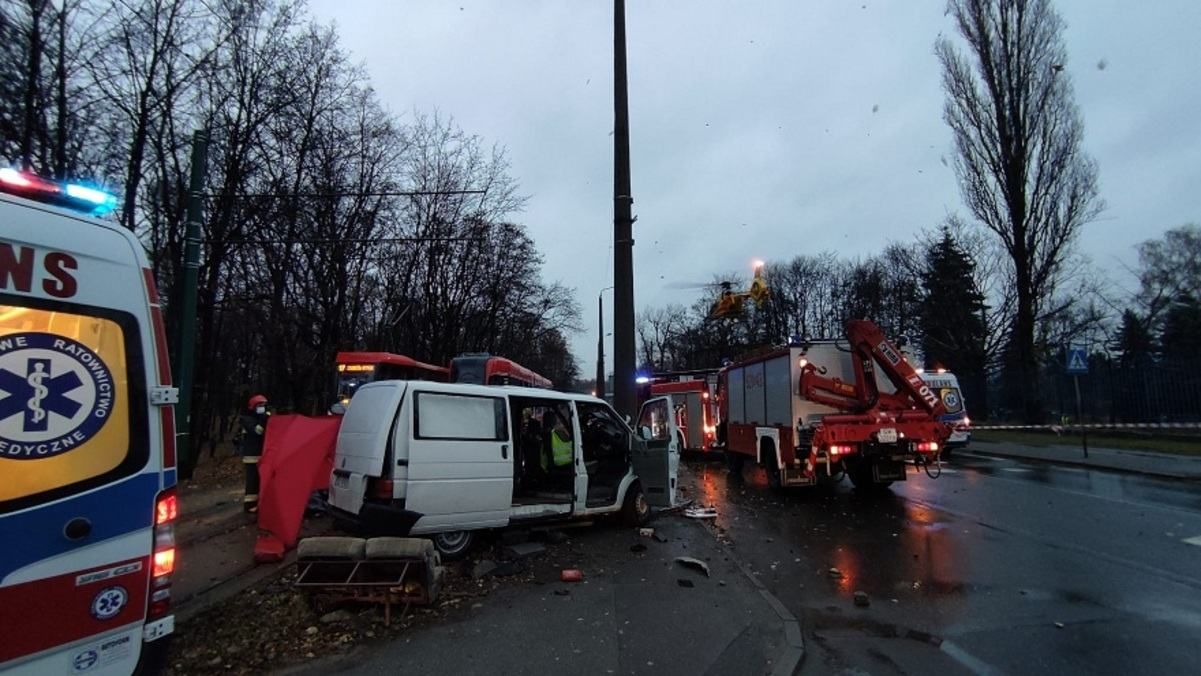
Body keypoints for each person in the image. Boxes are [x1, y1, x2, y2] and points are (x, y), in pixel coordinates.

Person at [239, 394, 270, 513]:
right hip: (251, 456)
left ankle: (259, 503)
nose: (262, 407)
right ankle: (249, 505)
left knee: (261, 480)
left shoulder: (262, 417)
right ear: (253, 406)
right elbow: (258, 431)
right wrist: (264, 420)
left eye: (264, 405)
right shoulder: (246, 419)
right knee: (252, 481)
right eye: (260, 405)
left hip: (262, 454)